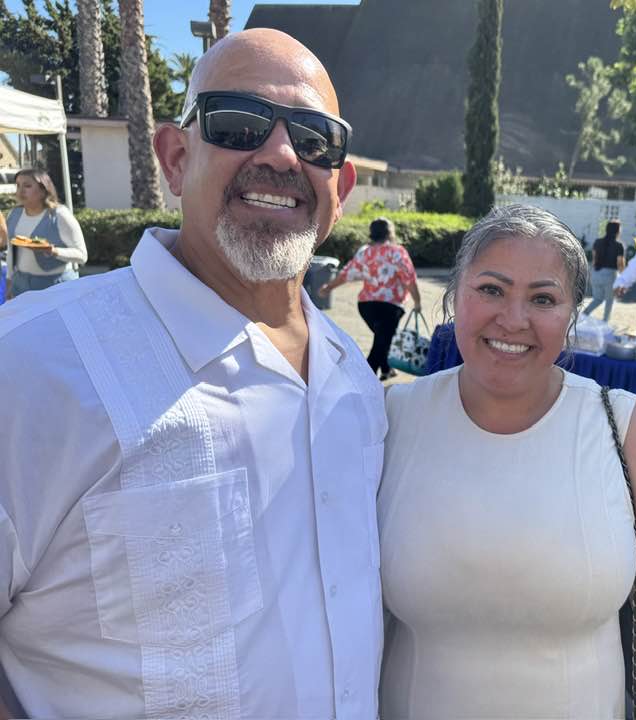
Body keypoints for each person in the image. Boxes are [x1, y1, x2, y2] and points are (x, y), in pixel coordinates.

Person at [0, 29, 384, 719]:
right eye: (238, 122)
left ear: (341, 187)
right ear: (175, 159)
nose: (281, 153)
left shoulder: (351, 380)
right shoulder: (34, 363)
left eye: (314, 138)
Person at [378, 204, 636, 718]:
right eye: (491, 289)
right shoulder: (390, 419)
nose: (513, 319)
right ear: (454, 294)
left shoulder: (626, 430)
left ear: (572, 314)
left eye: (543, 298)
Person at [318, 216, 421, 380]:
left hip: (367, 306)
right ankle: (365, 380)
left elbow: (347, 274)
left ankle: (386, 369)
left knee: (382, 339)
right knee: (381, 342)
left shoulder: (365, 252)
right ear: (390, 233)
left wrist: (328, 287)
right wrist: (417, 301)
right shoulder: (397, 252)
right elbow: (409, 278)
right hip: (390, 306)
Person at [4, 168, 86, 300]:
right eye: (18, 185)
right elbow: (11, 251)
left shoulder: (59, 214)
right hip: (20, 284)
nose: (21, 191)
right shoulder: (14, 214)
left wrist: (53, 251)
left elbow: (82, 256)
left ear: (43, 190)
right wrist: (9, 281)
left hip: (55, 285)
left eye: (27, 186)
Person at [583, 219, 625, 322]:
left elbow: (594, 260)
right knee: (609, 301)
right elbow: (620, 264)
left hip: (596, 273)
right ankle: (605, 322)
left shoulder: (597, 242)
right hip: (610, 275)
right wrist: (623, 277)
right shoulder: (619, 245)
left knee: (597, 299)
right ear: (617, 231)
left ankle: (583, 315)